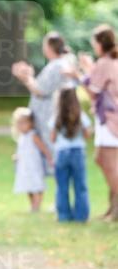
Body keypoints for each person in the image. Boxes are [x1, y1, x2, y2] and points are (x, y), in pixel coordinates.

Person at [73, 24, 118, 221]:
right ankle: (113, 210)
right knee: (110, 163)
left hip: (109, 120)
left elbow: (93, 92)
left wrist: (77, 75)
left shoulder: (105, 62)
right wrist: (88, 67)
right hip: (110, 118)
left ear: (100, 44)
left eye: (94, 44)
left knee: (105, 162)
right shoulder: (111, 62)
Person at [11, 32, 70, 170]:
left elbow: (40, 90)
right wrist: (29, 77)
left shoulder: (56, 66)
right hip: (49, 117)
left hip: (46, 118)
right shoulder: (59, 64)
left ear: (49, 47)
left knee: (47, 157)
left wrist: (25, 77)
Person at [49, 88, 91, 223]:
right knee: (80, 185)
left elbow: (53, 138)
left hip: (61, 153)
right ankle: (81, 216)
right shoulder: (81, 115)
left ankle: (64, 215)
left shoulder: (56, 117)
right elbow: (87, 134)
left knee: (62, 186)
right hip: (78, 152)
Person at [11, 107, 51, 211]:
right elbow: (21, 150)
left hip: (33, 165)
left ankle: (37, 206)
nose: (21, 126)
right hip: (24, 166)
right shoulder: (21, 137)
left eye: (24, 123)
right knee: (28, 185)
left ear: (31, 123)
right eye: (19, 123)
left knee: (36, 185)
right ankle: (32, 205)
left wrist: (49, 158)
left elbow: (44, 148)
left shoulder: (33, 135)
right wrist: (16, 157)